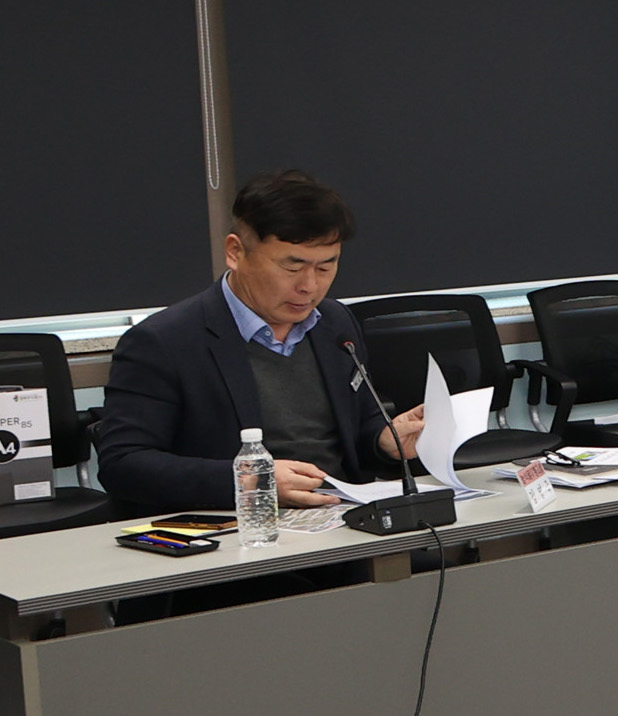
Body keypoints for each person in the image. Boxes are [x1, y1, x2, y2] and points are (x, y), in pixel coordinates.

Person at [97, 169, 425, 517]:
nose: (309, 286)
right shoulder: (163, 341)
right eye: (292, 267)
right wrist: (250, 479)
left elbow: (357, 429)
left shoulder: (335, 323)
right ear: (235, 252)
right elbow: (124, 464)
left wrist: (383, 442)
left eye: (326, 267)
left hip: (342, 516)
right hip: (239, 528)